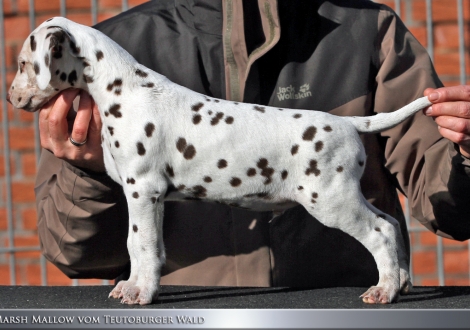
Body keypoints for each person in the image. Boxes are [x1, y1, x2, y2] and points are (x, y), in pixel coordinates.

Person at [35, 0, 470, 288]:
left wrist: (467, 156)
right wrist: (89, 171)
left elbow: (450, 203)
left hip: (332, 311)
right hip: (187, 313)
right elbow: (72, 253)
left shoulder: (367, 31)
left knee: (343, 209)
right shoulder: (111, 50)